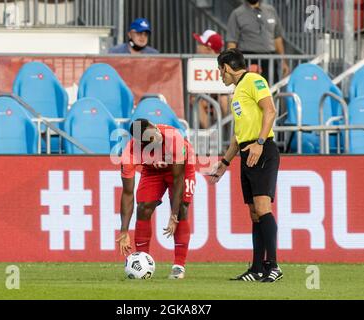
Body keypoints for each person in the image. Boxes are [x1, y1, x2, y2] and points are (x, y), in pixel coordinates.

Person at [210, 48, 282, 283]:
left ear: (227, 68)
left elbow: (270, 110)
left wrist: (260, 142)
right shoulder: (238, 91)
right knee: (254, 213)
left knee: (263, 207)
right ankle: (257, 268)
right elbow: (238, 135)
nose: (220, 76)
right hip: (246, 151)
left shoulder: (253, 79)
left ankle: (274, 265)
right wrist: (224, 162)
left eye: (220, 71)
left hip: (261, 149)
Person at [116, 119, 196, 279]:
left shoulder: (174, 138)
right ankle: (142, 260)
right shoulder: (130, 153)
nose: (157, 137)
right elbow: (127, 193)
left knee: (181, 210)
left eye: (156, 133)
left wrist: (173, 215)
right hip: (152, 171)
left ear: (154, 125)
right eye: (151, 139)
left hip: (182, 168)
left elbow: (178, 178)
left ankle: (179, 266)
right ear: (142, 143)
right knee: (143, 208)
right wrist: (124, 230)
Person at [226, 0, 290, 83]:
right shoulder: (237, 13)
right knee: (249, 90)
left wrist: (283, 61)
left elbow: (277, 38)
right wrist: (231, 65)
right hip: (247, 59)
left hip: (270, 59)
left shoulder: (271, 10)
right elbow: (232, 42)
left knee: (270, 90)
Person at [191, 29, 229, 130]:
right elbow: (195, 92)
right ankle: (210, 139)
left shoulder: (226, 62)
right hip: (207, 98)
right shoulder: (196, 62)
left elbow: (230, 89)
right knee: (196, 100)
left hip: (222, 98)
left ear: (208, 48)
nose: (197, 46)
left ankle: (232, 139)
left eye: (200, 43)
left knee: (225, 100)